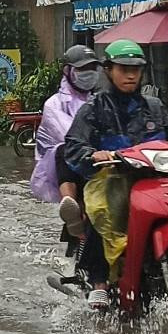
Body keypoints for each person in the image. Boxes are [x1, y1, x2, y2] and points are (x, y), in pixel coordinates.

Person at [64, 39, 168, 310]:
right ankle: (99, 282)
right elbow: (74, 145)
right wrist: (93, 154)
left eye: (136, 69)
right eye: (123, 68)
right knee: (102, 210)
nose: (131, 74)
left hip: (153, 180)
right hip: (112, 179)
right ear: (108, 70)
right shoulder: (95, 108)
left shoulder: (154, 107)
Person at [29, 45, 101, 236]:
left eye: (92, 69)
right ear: (68, 71)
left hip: (102, 161)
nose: (89, 74)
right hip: (65, 164)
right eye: (82, 69)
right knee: (65, 149)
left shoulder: (100, 101)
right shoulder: (53, 104)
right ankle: (70, 205)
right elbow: (69, 135)